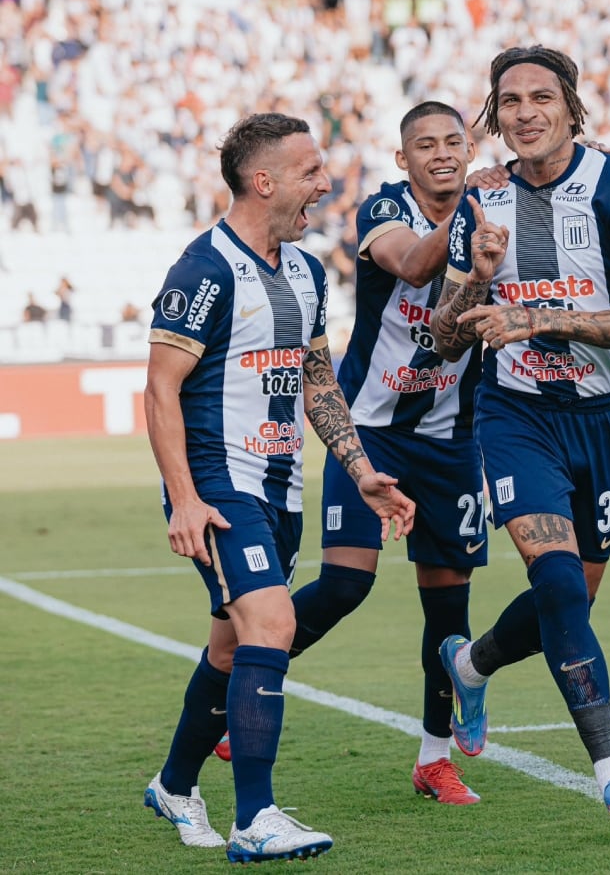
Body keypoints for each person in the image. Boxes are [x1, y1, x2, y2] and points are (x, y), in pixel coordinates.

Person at [142, 112, 415, 863]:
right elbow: (160, 389)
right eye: (311, 173)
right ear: (264, 182)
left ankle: (172, 786)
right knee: (272, 627)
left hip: (281, 489)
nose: (325, 186)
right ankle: (255, 817)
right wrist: (186, 498)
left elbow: (316, 378)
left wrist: (361, 472)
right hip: (219, 486)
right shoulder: (204, 270)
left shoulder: (304, 270)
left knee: (231, 653)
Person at [430, 45, 610, 832]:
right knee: (564, 591)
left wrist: (538, 315)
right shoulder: (480, 197)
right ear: (493, 116)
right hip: (514, 416)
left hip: (598, 422)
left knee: (569, 597)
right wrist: (475, 276)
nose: (525, 112)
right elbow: (441, 340)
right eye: (509, 101)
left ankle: (469, 665)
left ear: (572, 108)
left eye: (542, 98)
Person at [293, 100, 489, 805]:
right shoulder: (382, 210)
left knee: (448, 616)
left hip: (450, 441)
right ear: (402, 159)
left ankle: (434, 761)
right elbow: (410, 266)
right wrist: (467, 210)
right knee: (346, 585)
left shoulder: (494, 208)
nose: (441, 153)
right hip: (369, 428)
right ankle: (248, 673)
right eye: (425, 145)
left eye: (453, 142)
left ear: (468, 149)